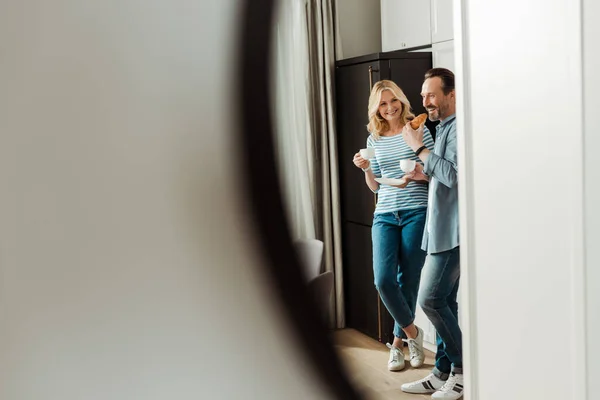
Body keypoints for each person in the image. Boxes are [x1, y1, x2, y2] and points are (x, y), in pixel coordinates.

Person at [352, 80, 434, 372]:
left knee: (408, 279)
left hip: (416, 210)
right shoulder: (374, 138)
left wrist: (418, 175)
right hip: (385, 213)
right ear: (376, 108)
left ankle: (397, 344)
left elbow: (433, 171)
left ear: (401, 100)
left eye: (393, 101)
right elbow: (375, 186)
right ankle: (413, 334)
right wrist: (366, 169)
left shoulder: (418, 128)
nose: (389, 108)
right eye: (382, 104)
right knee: (383, 279)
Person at [399, 68, 463, 399]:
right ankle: (441, 373)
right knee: (445, 302)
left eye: (432, 95)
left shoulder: (459, 129)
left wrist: (418, 149)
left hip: (452, 233)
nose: (426, 102)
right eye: (423, 96)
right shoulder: (441, 129)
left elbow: (454, 176)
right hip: (438, 228)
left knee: (431, 299)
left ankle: (463, 370)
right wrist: (425, 174)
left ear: (451, 95)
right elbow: (443, 175)